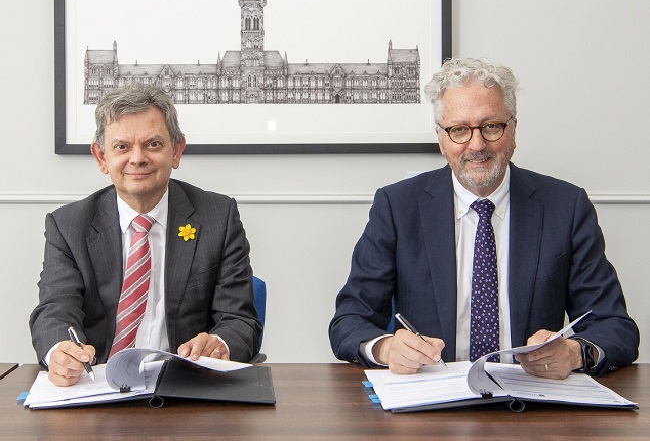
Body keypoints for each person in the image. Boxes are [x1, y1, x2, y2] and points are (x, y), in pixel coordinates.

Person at [329, 57, 639, 379]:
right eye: (459, 130)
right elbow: (349, 320)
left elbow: (615, 326)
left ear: (514, 129)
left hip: (532, 403)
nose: (476, 145)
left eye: (491, 126)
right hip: (430, 406)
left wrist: (575, 352)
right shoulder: (397, 206)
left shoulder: (566, 207)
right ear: (441, 138)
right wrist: (386, 348)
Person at [30, 82, 262, 386]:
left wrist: (220, 343)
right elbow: (54, 311)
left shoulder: (219, 217)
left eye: (153, 144)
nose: (137, 158)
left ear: (176, 151)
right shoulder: (68, 225)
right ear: (101, 158)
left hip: (186, 387)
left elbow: (240, 320)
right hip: (96, 387)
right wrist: (60, 351)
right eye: (121, 147)